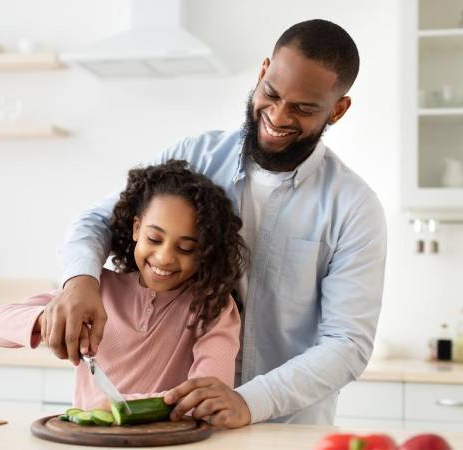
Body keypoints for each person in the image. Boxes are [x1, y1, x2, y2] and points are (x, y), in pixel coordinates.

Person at [50, 19, 387, 427]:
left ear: (338, 109)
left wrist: (249, 401)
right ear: (263, 71)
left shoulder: (353, 207)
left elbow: (347, 344)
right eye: (272, 93)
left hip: (285, 431)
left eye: (303, 108)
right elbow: (97, 221)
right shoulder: (195, 156)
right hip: (182, 427)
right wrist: (80, 281)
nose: (278, 116)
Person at [0, 160, 247, 409]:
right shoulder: (96, 290)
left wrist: (120, 406)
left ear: (205, 251)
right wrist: (49, 320)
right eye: (154, 239)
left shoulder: (214, 307)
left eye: (186, 248)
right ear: (136, 229)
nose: (165, 257)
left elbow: (209, 395)